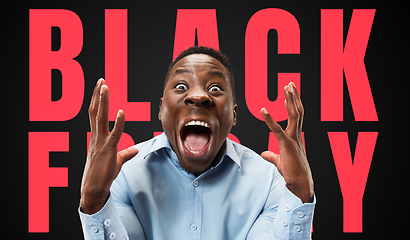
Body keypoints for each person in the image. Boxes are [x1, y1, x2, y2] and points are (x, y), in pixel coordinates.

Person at [79, 46, 315, 240]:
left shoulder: (268, 180)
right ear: (161, 109)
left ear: (233, 115)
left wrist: (300, 192)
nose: (199, 96)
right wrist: (95, 199)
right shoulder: (124, 175)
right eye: (181, 86)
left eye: (215, 88)